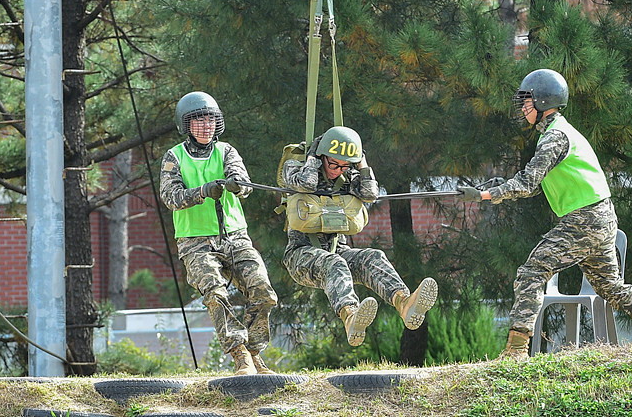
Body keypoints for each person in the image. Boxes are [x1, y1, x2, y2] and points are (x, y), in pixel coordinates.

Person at [457, 69, 632, 359]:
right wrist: (494, 188)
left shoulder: (554, 137)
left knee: (532, 271)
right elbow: (536, 185)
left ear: (544, 101)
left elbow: (528, 182)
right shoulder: (560, 132)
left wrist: (485, 195)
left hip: (585, 220)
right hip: (601, 218)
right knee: (612, 288)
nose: (522, 107)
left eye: (527, 101)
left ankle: (516, 352)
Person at [281, 125, 438, 346]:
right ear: (321, 155)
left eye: (344, 165)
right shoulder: (295, 168)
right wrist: (313, 158)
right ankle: (351, 316)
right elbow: (306, 184)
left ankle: (404, 303)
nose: (337, 170)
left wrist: (361, 163)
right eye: (333, 163)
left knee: (372, 256)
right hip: (301, 255)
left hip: (338, 251)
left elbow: (370, 193)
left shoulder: (347, 177)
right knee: (333, 262)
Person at [160, 91, 278, 375]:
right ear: (186, 125)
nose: (206, 125)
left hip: (235, 237)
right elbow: (170, 197)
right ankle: (239, 353)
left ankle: (253, 352)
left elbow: (245, 184)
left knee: (264, 292)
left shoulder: (227, 151)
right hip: (195, 243)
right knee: (215, 292)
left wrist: (239, 185)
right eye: (198, 119)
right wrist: (202, 192)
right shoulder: (174, 157)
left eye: (211, 119)